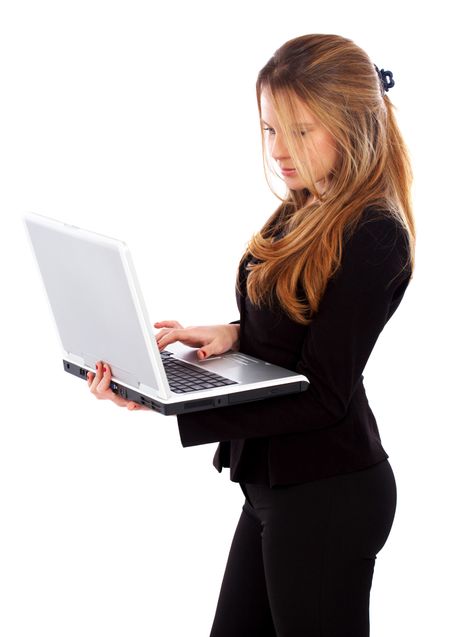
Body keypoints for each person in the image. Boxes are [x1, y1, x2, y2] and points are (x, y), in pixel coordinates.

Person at [86, 33, 415, 637]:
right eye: (269, 129)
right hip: (277, 487)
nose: (280, 149)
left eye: (300, 130)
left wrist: (175, 402)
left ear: (351, 125)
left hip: (328, 493)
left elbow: (323, 392)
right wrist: (234, 334)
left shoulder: (374, 235)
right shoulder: (307, 203)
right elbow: (302, 323)